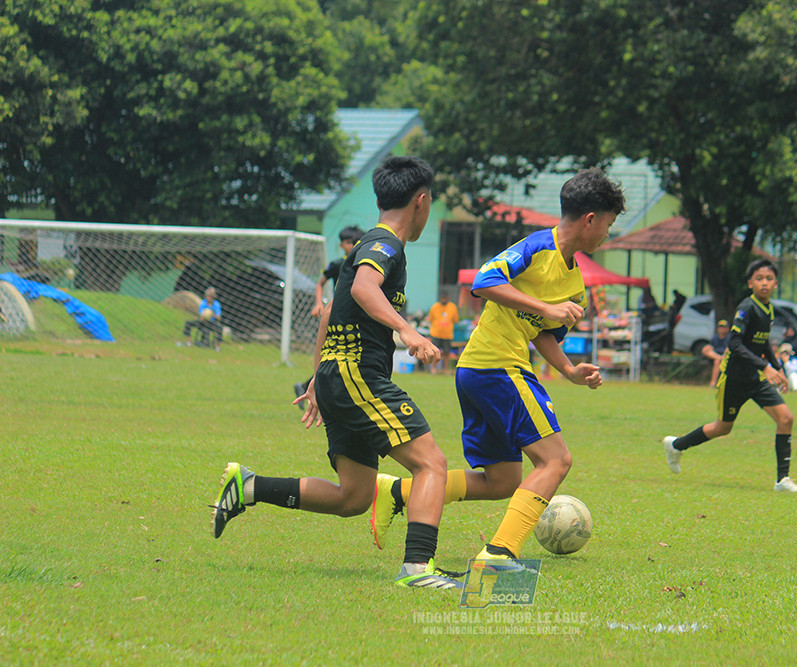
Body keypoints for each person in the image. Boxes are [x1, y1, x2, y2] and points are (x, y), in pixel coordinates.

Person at [211, 155, 463, 590]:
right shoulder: (385, 245)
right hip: (357, 374)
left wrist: (317, 379)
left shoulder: (369, 243)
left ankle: (248, 486)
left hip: (338, 375)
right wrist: (408, 331)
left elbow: (329, 312)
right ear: (421, 202)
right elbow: (365, 289)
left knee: (355, 496)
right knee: (432, 465)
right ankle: (418, 570)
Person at [369, 168, 625, 570]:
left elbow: (544, 334)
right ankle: (500, 553)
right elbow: (485, 281)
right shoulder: (539, 246)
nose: (608, 233)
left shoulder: (574, 280)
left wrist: (570, 370)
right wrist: (545, 307)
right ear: (590, 219)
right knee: (556, 460)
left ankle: (397, 493)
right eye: (609, 224)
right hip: (495, 367)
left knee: (502, 481)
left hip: (481, 370)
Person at [662, 258, 797, 493]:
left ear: (776, 283)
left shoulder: (768, 308)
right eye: (759, 279)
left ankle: (783, 480)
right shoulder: (746, 308)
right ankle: (675, 445)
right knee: (722, 428)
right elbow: (735, 344)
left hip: (755, 379)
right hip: (733, 379)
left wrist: (777, 367)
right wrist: (765, 367)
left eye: (769, 279)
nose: (764, 283)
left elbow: (763, 341)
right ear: (750, 283)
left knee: (786, 419)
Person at [294, 225, 365, 406]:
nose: (352, 246)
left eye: (355, 242)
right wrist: (319, 303)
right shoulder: (338, 264)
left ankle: (307, 386)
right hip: (338, 315)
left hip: (355, 315)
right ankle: (312, 387)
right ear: (341, 245)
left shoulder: (364, 264)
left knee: (340, 358)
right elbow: (320, 284)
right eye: (348, 243)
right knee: (334, 356)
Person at [427, 290, 460, 374]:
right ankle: (433, 369)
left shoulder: (453, 307)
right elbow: (430, 319)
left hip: (447, 335)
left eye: (445, 298)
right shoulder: (434, 307)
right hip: (436, 334)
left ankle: (446, 369)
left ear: (448, 298)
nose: (444, 299)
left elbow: (455, 320)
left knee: (446, 353)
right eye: (442, 298)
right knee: (435, 352)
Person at [700, 319, 731, 387]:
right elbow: (710, 347)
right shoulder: (715, 337)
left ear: (727, 329)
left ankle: (713, 382)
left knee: (717, 361)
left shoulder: (729, 337)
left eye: (724, 327)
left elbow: (728, 349)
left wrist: (723, 357)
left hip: (726, 358)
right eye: (720, 327)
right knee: (705, 349)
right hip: (716, 356)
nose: (721, 329)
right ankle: (719, 358)